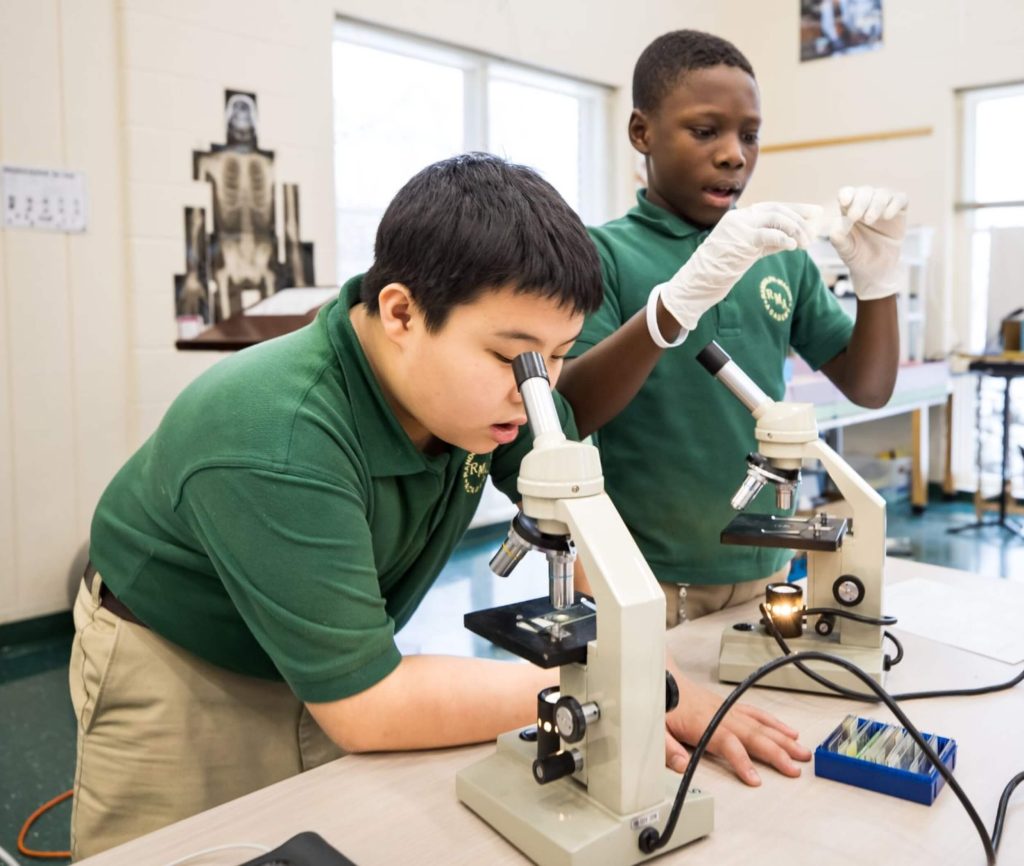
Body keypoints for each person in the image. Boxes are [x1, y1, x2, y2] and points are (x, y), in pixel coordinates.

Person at [70, 153, 808, 860]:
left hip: (338, 654)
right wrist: (627, 690)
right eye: (510, 357)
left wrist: (650, 667)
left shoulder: (482, 392)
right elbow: (367, 705)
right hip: (187, 663)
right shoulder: (272, 432)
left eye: (558, 354)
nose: (536, 387)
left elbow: (575, 517)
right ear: (400, 312)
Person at [557, 30, 905, 627]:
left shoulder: (778, 254)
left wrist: (878, 285)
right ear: (642, 132)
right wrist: (674, 305)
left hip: (768, 568)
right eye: (704, 130)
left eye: (749, 135)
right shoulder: (600, 254)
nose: (733, 155)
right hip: (647, 577)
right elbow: (571, 408)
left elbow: (869, 387)